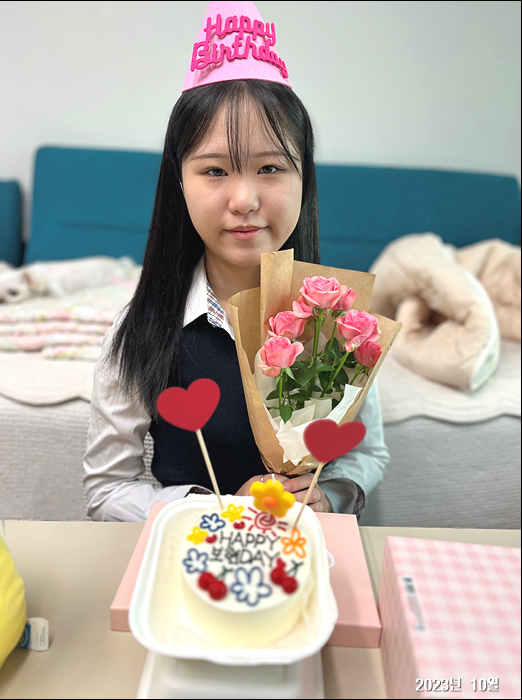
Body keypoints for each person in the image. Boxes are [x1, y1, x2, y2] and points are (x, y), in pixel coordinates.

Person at [83, 1, 389, 523]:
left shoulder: (342, 326)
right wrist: (217, 509)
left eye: (270, 168)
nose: (244, 199)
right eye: (215, 171)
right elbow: (106, 489)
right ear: (179, 182)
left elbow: (367, 455)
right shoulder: (141, 332)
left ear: (305, 180)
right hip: (193, 556)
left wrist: (331, 496)